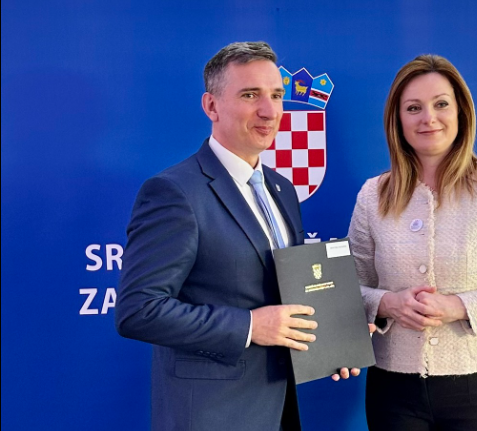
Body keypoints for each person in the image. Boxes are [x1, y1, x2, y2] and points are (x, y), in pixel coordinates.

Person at [115, 41, 360, 431]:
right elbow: (139, 310)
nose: (269, 110)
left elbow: (288, 291)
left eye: (276, 95)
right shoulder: (174, 192)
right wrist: (249, 326)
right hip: (213, 415)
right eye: (250, 95)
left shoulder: (282, 189)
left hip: (280, 408)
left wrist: (334, 338)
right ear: (211, 106)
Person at [348, 54, 477, 431]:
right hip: (392, 388)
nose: (428, 118)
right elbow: (348, 289)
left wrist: (458, 306)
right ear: (398, 120)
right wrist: (389, 304)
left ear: (461, 111)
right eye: (414, 108)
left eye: (441, 104)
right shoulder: (372, 195)